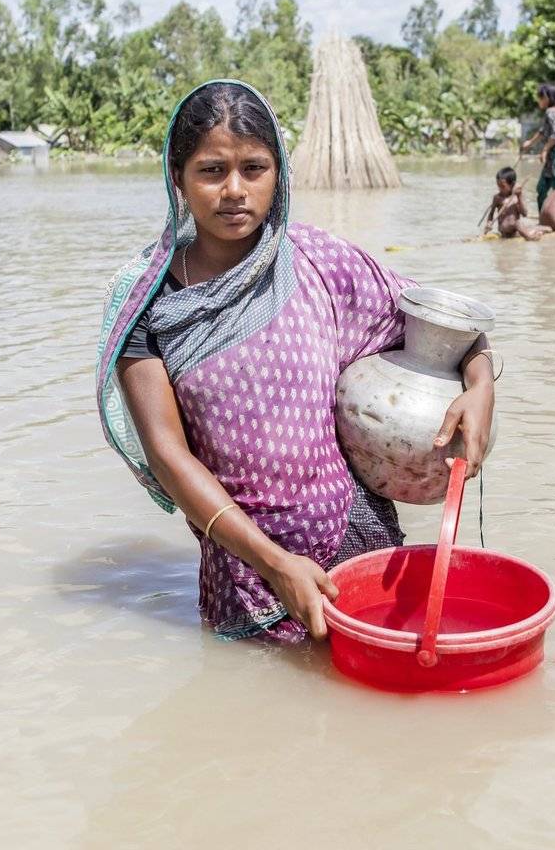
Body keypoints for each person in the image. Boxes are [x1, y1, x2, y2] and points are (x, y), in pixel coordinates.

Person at [96, 81, 496, 643]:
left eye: (253, 168)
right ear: (178, 178)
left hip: (359, 552)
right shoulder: (150, 300)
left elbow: (452, 328)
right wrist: (275, 565)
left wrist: (479, 388)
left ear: (278, 172)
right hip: (247, 579)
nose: (234, 190)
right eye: (212, 171)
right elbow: (168, 456)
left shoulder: (319, 262)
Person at [520, 83, 555, 212]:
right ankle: (544, 217)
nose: (539, 101)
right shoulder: (553, 112)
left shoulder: (551, 111)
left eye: (540, 97)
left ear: (547, 98)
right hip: (554, 153)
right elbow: (543, 132)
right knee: (541, 188)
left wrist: (545, 150)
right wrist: (530, 143)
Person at [481, 166, 543, 241]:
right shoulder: (497, 198)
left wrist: (519, 196)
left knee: (545, 228)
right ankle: (530, 238)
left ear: (512, 184)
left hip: (515, 231)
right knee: (517, 224)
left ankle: (533, 232)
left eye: (502, 186)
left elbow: (524, 214)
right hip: (504, 229)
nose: (499, 188)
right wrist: (489, 223)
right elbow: (491, 214)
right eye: (498, 186)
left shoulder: (517, 196)